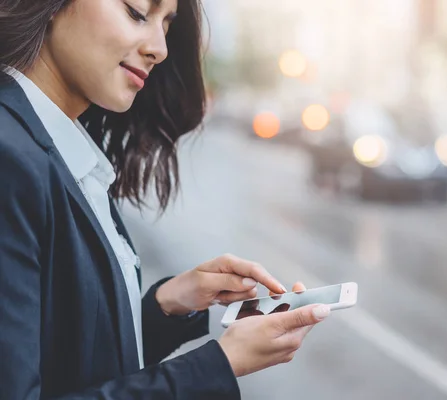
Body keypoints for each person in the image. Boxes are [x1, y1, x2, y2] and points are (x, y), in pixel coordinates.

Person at [0, 0, 331, 398]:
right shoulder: (10, 158)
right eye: (137, 12)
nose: (160, 48)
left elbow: (66, 361)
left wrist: (165, 304)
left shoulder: (60, 151)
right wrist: (217, 366)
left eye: (167, 25)